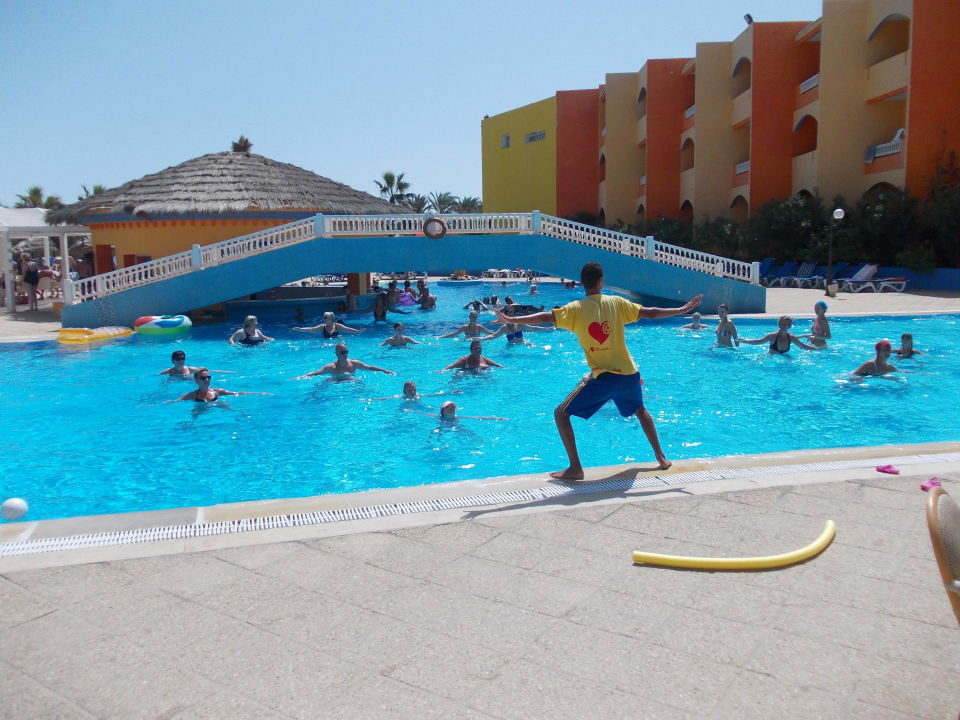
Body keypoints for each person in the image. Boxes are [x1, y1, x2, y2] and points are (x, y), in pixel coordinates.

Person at [492, 261, 702, 479]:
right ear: (602, 281)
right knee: (640, 411)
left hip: (604, 378)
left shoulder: (575, 309)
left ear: (582, 283)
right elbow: (649, 313)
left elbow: (546, 318)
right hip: (629, 375)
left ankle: (575, 468)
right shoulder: (617, 303)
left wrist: (511, 318)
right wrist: (680, 310)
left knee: (561, 414)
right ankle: (661, 459)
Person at [293, 342, 395, 379]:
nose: (345, 354)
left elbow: (369, 367)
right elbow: (316, 373)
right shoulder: (331, 367)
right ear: (337, 353)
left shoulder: (354, 363)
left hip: (351, 381)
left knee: (361, 386)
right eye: (342, 352)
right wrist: (301, 377)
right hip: (334, 382)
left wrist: (385, 370)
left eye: (346, 351)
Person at [176, 368, 270, 402]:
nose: (207, 380)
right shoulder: (192, 395)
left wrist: (259, 393)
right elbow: (176, 401)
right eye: (204, 378)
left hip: (218, 406)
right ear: (196, 380)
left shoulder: (217, 391)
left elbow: (237, 393)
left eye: (209, 377)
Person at [739, 316, 822, 353]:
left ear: (789, 326)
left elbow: (803, 346)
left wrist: (817, 349)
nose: (783, 326)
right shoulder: (772, 336)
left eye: (785, 325)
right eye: (781, 324)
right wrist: (744, 341)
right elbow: (758, 342)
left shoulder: (791, 337)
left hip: (784, 357)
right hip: (771, 358)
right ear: (778, 325)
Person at [482, 308, 552, 344]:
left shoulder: (519, 324)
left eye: (512, 313)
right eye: (509, 313)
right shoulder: (504, 328)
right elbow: (493, 336)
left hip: (522, 344)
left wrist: (546, 328)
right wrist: (482, 339)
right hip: (511, 346)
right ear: (505, 315)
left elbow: (533, 328)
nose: (511, 315)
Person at [405, 400, 508, 423]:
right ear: (442, 410)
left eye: (453, 407)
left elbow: (478, 418)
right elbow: (424, 413)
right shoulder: (439, 418)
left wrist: (495, 418)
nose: (452, 408)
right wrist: (411, 411)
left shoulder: (457, 418)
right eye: (449, 407)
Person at [367, 381, 463, 402]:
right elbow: (384, 399)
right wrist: (370, 399)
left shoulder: (419, 396)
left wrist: (452, 392)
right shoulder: (401, 398)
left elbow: (436, 395)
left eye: (414, 390)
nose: (413, 392)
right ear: (404, 392)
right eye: (410, 390)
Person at [159, 350, 234, 378]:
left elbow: (208, 371)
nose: (181, 361)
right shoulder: (169, 371)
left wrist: (227, 372)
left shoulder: (190, 369)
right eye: (178, 359)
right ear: (173, 361)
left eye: (183, 359)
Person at [294, 312, 363, 337]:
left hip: (337, 344)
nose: (324, 319)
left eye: (325, 317)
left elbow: (348, 329)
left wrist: (358, 331)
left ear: (331, 318)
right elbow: (311, 329)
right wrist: (300, 329)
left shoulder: (338, 326)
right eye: (324, 317)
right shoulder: (322, 327)